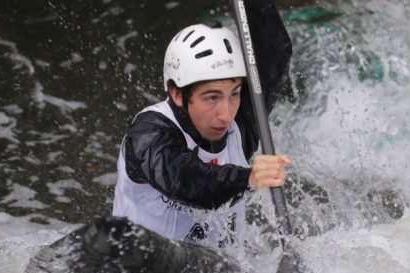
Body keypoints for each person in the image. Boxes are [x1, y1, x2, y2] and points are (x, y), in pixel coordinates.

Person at [112, 0, 293, 247]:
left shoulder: (240, 124)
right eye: (212, 98)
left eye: (235, 94)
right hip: (149, 265)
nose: (226, 115)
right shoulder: (148, 133)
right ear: (177, 94)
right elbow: (186, 180)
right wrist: (248, 178)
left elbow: (274, 54)